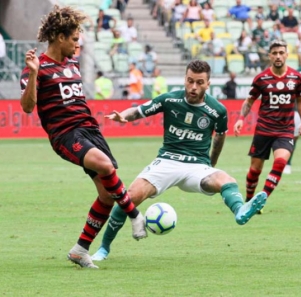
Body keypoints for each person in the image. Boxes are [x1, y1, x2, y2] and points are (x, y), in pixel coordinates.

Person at [91, 60, 267, 261]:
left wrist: (211, 165)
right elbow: (140, 110)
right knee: (129, 196)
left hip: (197, 166)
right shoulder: (169, 100)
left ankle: (239, 210)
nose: (193, 87)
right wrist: (122, 116)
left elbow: (219, 138)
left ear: (208, 83)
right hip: (167, 161)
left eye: (199, 82)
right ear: (185, 78)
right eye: (190, 81)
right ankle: (103, 248)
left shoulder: (217, 110)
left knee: (227, 181)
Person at [19, 5, 147, 269]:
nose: (77, 45)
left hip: (90, 130)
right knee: (105, 165)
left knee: (106, 195)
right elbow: (28, 107)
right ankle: (134, 214)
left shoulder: (73, 62)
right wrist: (32, 74)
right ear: (60, 37)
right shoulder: (38, 66)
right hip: (64, 134)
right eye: (74, 39)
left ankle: (80, 250)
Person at [234, 40, 301, 210]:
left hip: (285, 131)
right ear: (269, 56)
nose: (278, 56)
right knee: (255, 170)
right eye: (275, 53)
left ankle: (263, 197)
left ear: (287, 54)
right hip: (264, 130)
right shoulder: (261, 78)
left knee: (280, 163)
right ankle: (249, 200)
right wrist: (240, 118)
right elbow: (249, 101)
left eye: (281, 52)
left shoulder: (296, 77)